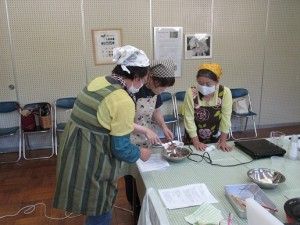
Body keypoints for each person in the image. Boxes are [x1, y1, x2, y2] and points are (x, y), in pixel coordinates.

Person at [53, 45, 152, 225]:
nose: (143, 85)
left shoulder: (98, 82)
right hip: (93, 159)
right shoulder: (122, 99)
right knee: (101, 209)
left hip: (74, 150)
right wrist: (141, 153)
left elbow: (108, 120)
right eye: (143, 80)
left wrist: (143, 129)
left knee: (92, 205)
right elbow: (121, 149)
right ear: (136, 77)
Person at [125, 59, 176, 222]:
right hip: (129, 138)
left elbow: (156, 111)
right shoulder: (133, 90)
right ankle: (136, 207)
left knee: (148, 175)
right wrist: (146, 130)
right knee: (132, 175)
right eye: (161, 86)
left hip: (147, 137)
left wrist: (164, 127)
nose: (162, 90)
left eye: (165, 87)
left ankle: (149, 206)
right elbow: (123, 122)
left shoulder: (155, 92)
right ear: (151, 77)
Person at [183, 63, 232, 151]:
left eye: (208, 84)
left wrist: (223, 141)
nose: (204, 87)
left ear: (216, 82)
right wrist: (196, 142)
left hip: (214, 135)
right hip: (193, 137)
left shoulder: (225, 92)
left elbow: (226, 118)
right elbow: (189, 118)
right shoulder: (191, 92)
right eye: (200, 83)